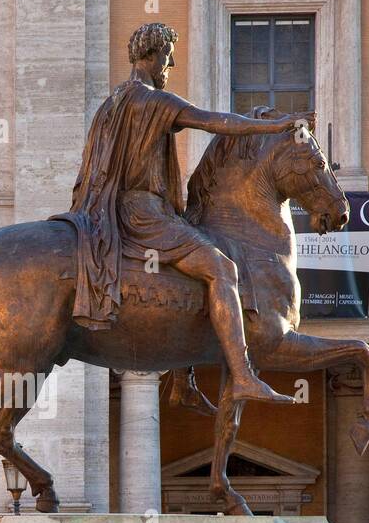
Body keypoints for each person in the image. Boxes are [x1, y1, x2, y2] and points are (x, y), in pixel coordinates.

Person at [60, 21, 314, 407]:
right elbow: (216, 122)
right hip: (145, 214)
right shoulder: (153, 100)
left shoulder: (112, 103)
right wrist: (275, 125)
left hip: (110, 211)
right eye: (168, 57)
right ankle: (243, 376)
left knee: (187, 279)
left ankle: (183, 382)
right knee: (221, 269)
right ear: (152, 55)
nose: (171, 64)